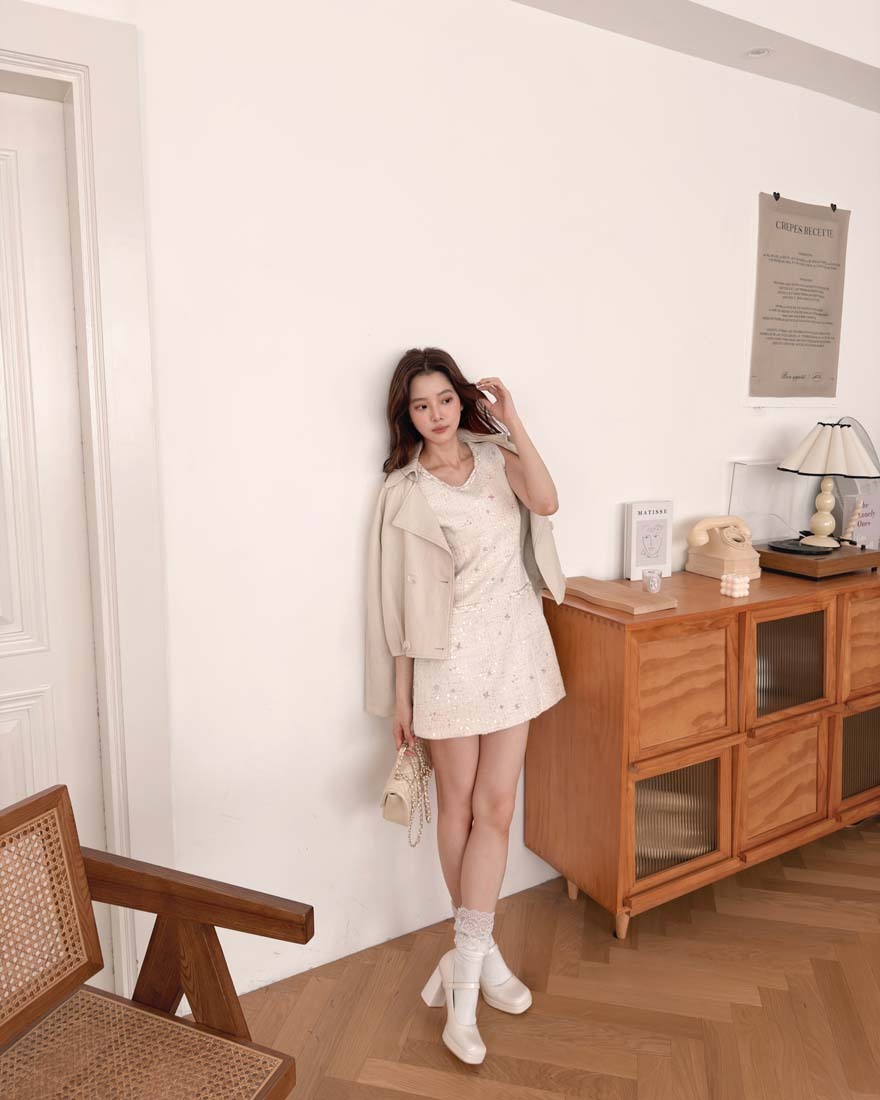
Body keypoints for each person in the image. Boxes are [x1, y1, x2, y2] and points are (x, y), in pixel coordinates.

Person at [364, 347, 567, 1065]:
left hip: (515, 649)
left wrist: (513, 420)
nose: (436, 415)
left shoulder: (496, 458)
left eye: (445, 400)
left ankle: (467, 966)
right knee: (459, 808)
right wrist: (400, 697)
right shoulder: (403, 490)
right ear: (407, 415)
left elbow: (546, 501)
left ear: (462, 399)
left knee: (497, 809)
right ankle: (474, 979)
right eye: (421, 406)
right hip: (445, 662)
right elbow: (394, 603)